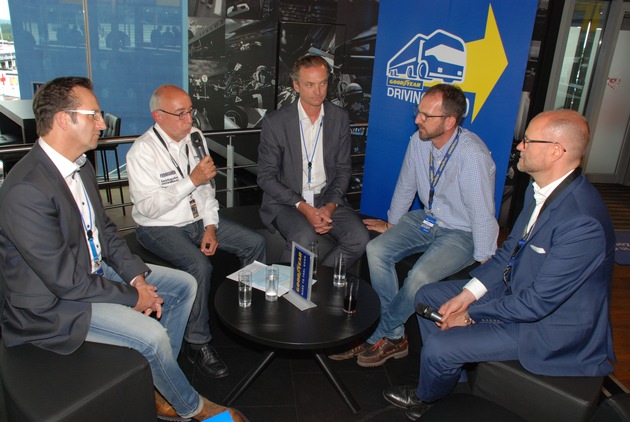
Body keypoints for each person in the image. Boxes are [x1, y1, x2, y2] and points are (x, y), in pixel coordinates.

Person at [0, 76, 246, 421]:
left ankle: (160, 382)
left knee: (185, 285)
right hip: (54, 306)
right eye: (94, 115)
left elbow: (105, 232)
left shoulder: (80, 165)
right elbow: (65, 282)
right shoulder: (26, 190)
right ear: (63, 120)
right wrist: (134, 296)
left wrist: (135, 277)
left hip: (91, 272)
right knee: (153, 336)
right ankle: (190, 407)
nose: (102, 124)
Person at [384, 109, 616, 421]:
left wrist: (470, 314)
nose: (519, 146)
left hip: (547, 328)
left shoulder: (582, 222)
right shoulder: (539, 190)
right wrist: (467, 295)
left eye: (528, 141)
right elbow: (509, 253)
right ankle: (453, 386)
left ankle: (428, 397)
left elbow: (536, 304)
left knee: (440, 347)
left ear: (555, 151)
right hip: (517, 294)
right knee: (427, 295)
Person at [330, 84, 498, 366]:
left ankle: (375, 332)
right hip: (427, 218)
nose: (417, 119)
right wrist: (393, 224)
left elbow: (482, 214)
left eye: (425, 116)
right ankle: (396, 335)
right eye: (418, 112)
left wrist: (486, 264)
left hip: (462, 232)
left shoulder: (472, 156)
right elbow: (406, 185)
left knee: (419, 276)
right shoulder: (418, 141)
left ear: (449, 121)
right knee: (376, 249)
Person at [127, 84, 266, 378]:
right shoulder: (142, 151)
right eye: (180, 114)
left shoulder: (195, 137)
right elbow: (149, 208)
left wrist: (210, 226)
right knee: (199, 266)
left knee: (255, 243)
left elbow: (206, 190)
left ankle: (248, 316)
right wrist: (191, 180)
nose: (189, 119)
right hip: (159, 226)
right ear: (158, 116)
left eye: (190, 111)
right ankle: (197, 343)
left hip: (198, 220)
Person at [257, 54, 370, 267]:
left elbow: (343, 169)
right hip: (287, 201)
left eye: (323, 83)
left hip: (326, 197)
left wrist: (330, 206)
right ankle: (287, 285)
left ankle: (318, 281)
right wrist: (304, 207)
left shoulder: (339, 117)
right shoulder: (275, 122)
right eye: (310, 84)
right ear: (296, 86)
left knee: (359, 238)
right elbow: (266, 177)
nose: (318, 91)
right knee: (304, 237)